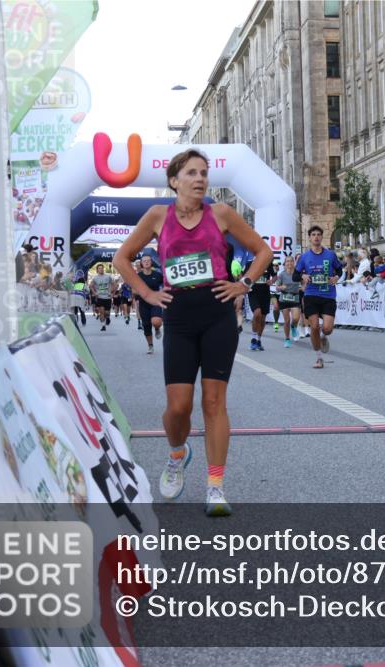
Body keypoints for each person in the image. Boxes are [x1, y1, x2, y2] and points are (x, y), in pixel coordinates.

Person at [113, 148, 272, 517]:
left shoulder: (221, 214)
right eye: (192, 173)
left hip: (217, 312)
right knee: (178, 408)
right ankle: (176, 452)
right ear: (174, 180)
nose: (201, 179)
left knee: (214, 402)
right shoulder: (157, 216)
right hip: (179, 315)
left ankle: (215, 487)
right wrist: (148, 292)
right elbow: (122, 258)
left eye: (204, 173)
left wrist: (244, 283)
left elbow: (262, 251)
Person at [295, 225, 343, 368]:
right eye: (313, 234)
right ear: (310, 238)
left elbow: (340, 271)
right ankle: (319, 358)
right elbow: (295, 274)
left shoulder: (330, 255)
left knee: (327, 329)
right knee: (314, 326)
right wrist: (302, 275)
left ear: (322, 237)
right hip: (311, 295)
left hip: (328, 295)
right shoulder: (304, 257)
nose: (316, 237)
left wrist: (335, 277)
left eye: (318, 234)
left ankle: (323, 337)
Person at [244, 253, 277, 351]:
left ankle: (258, 340)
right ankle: (253, 339)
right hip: (253, 293)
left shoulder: (268, 263)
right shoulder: (250, 263)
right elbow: (244, 277)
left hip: (265, 293)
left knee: (262, 318)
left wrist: (271, 281)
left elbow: (275, 276)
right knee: (257, 313)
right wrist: (247, 285)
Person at [136, 254, 165, 354]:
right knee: (146, 325)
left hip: (155, 302)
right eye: (144, 261)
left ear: (151, 262)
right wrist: (141, 293)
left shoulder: (157, 275)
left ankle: (157, 328)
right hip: (143, 303)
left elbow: (165, 284)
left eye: (148, 260)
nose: (146, 262)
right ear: (141, 264)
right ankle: (150, 346)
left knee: (156, 321)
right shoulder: (138, 276)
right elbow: (134, 290)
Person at [274, 255, 301, 348]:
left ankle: (293, 327)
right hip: (284, 299)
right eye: (287, 261)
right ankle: (287, 339)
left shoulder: (297, 274)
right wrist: (281, 287)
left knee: (296, 318)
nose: (289, 263)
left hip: (295, 298)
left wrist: (304, 287)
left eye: (291, 261)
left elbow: (304, 282)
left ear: (294, 263)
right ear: (285, 263)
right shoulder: (282, 274)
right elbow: (277, 287)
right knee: (286, 321)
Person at [89, 264, 115, 331]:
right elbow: (91, 286)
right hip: (100, 297)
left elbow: (114, 285)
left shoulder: (108, 277)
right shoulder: (95, 278)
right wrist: (95, 293)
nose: (101, 269)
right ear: (97, 270)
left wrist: (112, 293)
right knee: (101, 312)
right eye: (99, 268)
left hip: (107, 297)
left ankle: (108, 317)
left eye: (102, 268)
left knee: (107, 313)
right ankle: (103, 326)